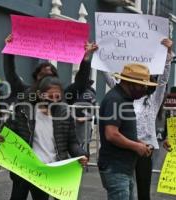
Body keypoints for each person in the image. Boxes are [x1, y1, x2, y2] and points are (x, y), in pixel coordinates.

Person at [102, 39, 173, 200]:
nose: (144, 88)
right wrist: (100, 56)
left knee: (142, 189)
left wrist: (168, 56)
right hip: (124, 147)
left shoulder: (153, 101)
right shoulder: (121, 97)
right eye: (142, 84)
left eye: (146, 85)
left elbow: (163, 81)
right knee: (125, 187)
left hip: (145, 147)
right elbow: (110, 79)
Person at [1, 76, 89, 200]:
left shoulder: (65, 114)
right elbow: (6, 131)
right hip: (30, 168)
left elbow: (72, 142)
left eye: (57, 97)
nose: (53, 100)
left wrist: (81, 154)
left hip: (55, 169)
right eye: (50, 96)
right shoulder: (24, 111)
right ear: (40, 95)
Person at [98, 63, 155, 200]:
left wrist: (139, 142)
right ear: (130, 83)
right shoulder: (115, 99)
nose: (144, 90)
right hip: (116, 168)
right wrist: (136, 146)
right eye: (142, 86)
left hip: (123, 168)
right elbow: (111, 134)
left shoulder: (124, 99)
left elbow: (123, 132)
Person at [3, 34, 58, 104]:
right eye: (42, 75)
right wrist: (9, 50)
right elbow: (10, 73)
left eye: (48, 76)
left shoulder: (60, 99)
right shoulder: (24, 91)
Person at [65, 42, 98, 152]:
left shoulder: (91, 92)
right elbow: (64, 106)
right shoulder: (70, 90)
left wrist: (85, 118)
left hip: (84, 125)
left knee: (82, 148)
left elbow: (93, 109)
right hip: (70, 125)